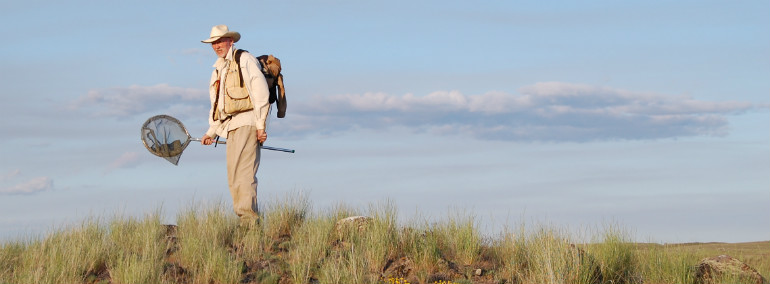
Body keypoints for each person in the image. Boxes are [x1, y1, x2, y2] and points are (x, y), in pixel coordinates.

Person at [200, 25, 270, 227]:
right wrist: (211, 132)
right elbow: (217, 106)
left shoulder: (245, 59)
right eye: (213, 42)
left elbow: (260, 93)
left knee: (244, 174)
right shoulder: (218, 69)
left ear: (231, 41)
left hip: (247, 122)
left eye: (220, 41)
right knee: (233, 176)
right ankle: (244, 220)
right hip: (230, 127)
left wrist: (260, 126)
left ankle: (249, 222)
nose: (216, 46)